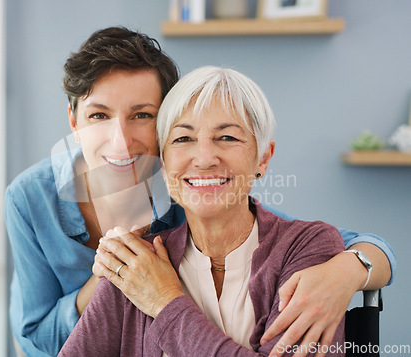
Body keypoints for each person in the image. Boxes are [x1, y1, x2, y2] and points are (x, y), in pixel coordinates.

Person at [6, 27, 395, 357]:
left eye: (142, 115)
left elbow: (320, 240)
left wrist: (351, 268)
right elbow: (37, 334)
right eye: (98, 115)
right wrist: (117, 269)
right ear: (74, 122)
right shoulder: (37, 201)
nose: (120, 141)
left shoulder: (289, 241)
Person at [59, 66, 347, 356]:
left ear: (263, 158)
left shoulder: (309, 247)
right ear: (163, 161)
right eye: (183, 139)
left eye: (228, 138)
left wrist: (165, 302)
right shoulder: (135, 265)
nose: (205, 158)